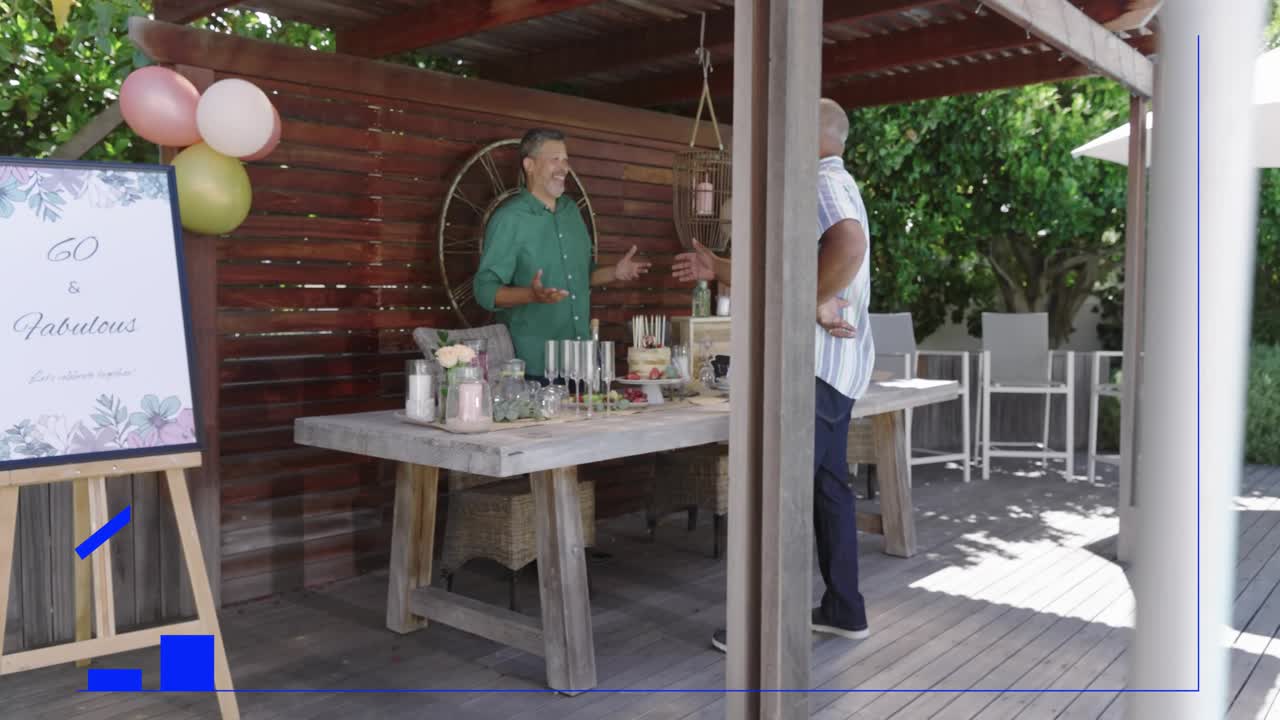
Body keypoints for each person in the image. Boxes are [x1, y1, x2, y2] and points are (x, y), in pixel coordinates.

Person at [673, 98, 875, 651]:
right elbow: (780, 272)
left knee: (777, 494)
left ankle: (759, 626)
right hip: (834, 371)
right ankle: (843, 607)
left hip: (811, 369)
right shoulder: (835, 181)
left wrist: (804, 304)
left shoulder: (818, 182)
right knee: (827, 489)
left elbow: (848, 244)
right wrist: (718, 268)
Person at [473, 128, 652, 380]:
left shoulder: (572, 213)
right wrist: (531, 295)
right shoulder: (509, 219)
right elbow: (484, 290)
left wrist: (616, 272)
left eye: (565, 159)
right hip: (536, 367)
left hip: (585, 361)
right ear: (530, 165)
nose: (564, 167)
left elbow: (582, 277)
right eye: (554, 159)